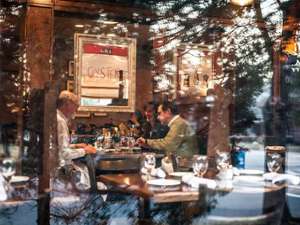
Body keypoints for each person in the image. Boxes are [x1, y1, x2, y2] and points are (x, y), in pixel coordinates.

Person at [56, 90, 96, 167]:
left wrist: (75, 146)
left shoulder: (57, 117)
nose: (76, 110)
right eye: (75, 106)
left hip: (57, 166)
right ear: (67, 104)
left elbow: (58, 147)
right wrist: (85, 150)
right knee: (86, 170)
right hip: (60, 168)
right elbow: (64, 154)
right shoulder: (60, 121)